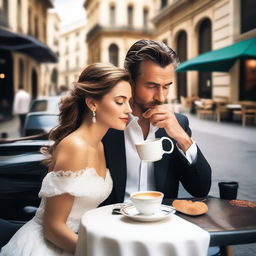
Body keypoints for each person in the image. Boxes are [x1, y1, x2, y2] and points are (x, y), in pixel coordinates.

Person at [0, 63, 132, 255]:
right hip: (48, 246)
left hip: (77, 240)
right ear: (92, 103)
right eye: (120, 102)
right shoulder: (75, 147)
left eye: (129, 101)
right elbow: (53, 228)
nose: (129, 109)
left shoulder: (100, 145)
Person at [102, 39, 212, 205]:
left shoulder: (178, 123)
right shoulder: (107, 123)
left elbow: (201, 189)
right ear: (130, 79)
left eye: (166, 86)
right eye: (152, 86)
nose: (161, 97)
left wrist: (183, 138)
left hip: (162, 224)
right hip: (115, 222)